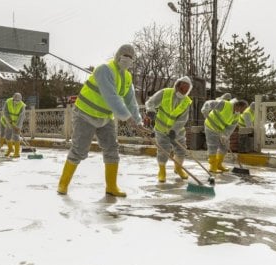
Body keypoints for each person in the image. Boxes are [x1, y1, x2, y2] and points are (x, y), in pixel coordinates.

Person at [56, 44, 148, 196]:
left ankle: (111, 187)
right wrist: (127, 118)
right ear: (118, 55)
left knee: (112, 149)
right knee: (79, 150)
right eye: (125, 55)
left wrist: (138, 122)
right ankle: (63, 184)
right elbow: (111, 97)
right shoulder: (104, 69)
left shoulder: (127, 77)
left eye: (131, 58)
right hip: (85, 114)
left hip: (105, 118)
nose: (127, 59)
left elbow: (130, 101)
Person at [145, 76, 193, 182]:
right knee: (163, 150)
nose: (184, 90)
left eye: (186, 89)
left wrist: (174, 130)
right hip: (161, 129)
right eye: (182, 87)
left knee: (181, 149)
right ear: (177, 85)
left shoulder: (186, 102)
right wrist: (150, 110)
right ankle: (162, 171)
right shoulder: (165, 93)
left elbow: (182, 119)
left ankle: (178, 168)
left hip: (177, 131)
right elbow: (150, 102)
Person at [201, 97, 248, 173]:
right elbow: (209, 102)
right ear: (239, 106)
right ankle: (213, 166)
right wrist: (205, 109)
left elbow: (230, 128)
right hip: (210, 126)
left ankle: (219, 164)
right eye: (242, 109)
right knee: (213, 146)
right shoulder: (225, 104)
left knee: (225, 146)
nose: (242, 112)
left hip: (221, 130)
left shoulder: (237, 115)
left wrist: (225, 136)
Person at [1, 92, 26, 158]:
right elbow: (5, 112)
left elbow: (21, 117)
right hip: (9, 122)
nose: (17, 102)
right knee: (7, 136)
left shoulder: (22, 105)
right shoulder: (8, 102)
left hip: (18, 123)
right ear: (13, 99)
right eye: (15, 100)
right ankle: (10, 149)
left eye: (18, 100)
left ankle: (17, 153)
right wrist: (10, 122)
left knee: (16, 136)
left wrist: (17, 127)